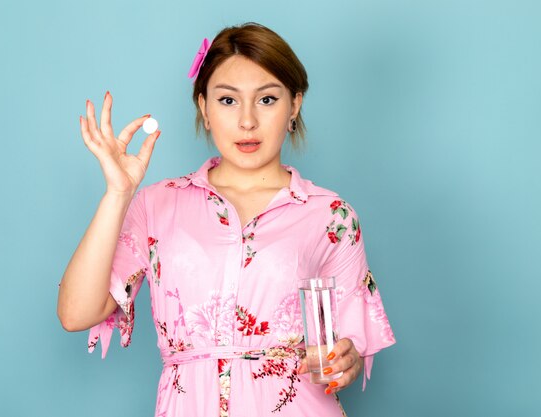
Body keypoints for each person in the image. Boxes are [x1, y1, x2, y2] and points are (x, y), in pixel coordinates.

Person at [57, 22, 395, 417]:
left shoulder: (331, 216)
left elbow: (347, 348)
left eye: (267, 100)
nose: (247, 121)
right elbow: (75, 313)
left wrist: (347, 361)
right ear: (204, 107)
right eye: (228, 101)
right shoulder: (157, 205)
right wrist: (118, 194)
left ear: (294, 105)